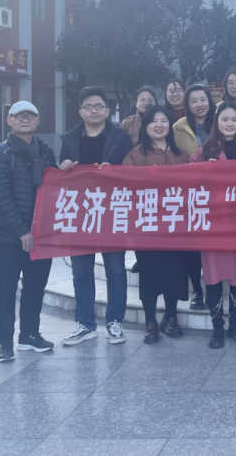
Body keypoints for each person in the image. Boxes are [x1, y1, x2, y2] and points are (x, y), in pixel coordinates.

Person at [58, 86, 135, 347]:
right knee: (81, 271)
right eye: (89, 107)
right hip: (81, 213)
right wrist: (64, 167)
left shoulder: (121, 138)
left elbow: (131, 172)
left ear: (107, 110)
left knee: (115, 269)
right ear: (80, 111)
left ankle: (114, 322)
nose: (94, 111)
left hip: (113, 211)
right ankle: (85, 324)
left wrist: (115, 171)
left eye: (99, 106)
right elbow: (62, 177)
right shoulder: (70, 139)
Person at [0, 100, 58, 362]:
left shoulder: (45, 151)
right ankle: (4, 342)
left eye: (30, 115)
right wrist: (21, 231)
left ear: (37, 120)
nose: (25, 119)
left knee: (35, 287)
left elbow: (54, 185)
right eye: (19, 115)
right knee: (5, 290)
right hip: (8, 238)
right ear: (9, 120)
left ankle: (29, 335)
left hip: (41, 236)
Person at [189, 102, 236, 348]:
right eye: (225, 119)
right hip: (214, 223)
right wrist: (206, 171)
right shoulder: (206, 149)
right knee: (214, 275)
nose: (230, 124)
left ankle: (235, 324)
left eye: (234, 120)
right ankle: (217, 327)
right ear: (216, 122)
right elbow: (189, 178)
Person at [121, 106, 190, 344]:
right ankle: (150, 322)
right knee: (149, 274)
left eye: (163, 121)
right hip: (147, 226)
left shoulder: (182, 155)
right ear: (146, 126)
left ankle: (171, 317)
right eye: (153, 121)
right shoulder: (135, 155)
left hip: (175, 226)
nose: (159, 125)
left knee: (174, 273)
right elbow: (124, 184)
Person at [171, 83, 215, 310]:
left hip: (217, 193)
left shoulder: (220, 122)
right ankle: (197, 289)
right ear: (187, 104)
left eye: (203, 99)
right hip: (190, 193)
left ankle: (213, 287)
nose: (199, 105)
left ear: (209, 100)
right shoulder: (178, 127)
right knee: (193, 246)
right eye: (194, 101)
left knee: (212, 243)